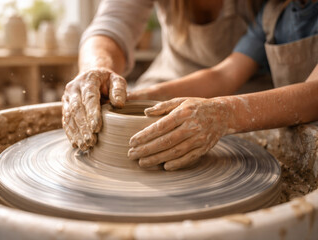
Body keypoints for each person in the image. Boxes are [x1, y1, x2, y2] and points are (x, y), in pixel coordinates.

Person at [127, 0, 318, 170]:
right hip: (297, 131)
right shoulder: (273, 10)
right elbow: (224, 75)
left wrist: (225, 114)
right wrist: (141, 96)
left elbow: (314, 94)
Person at [62, 0, 263, 151]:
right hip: (172, 75)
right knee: (122, 125)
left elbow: (226, 75)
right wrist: (95, 68)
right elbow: (112, 22)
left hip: (249, 85)